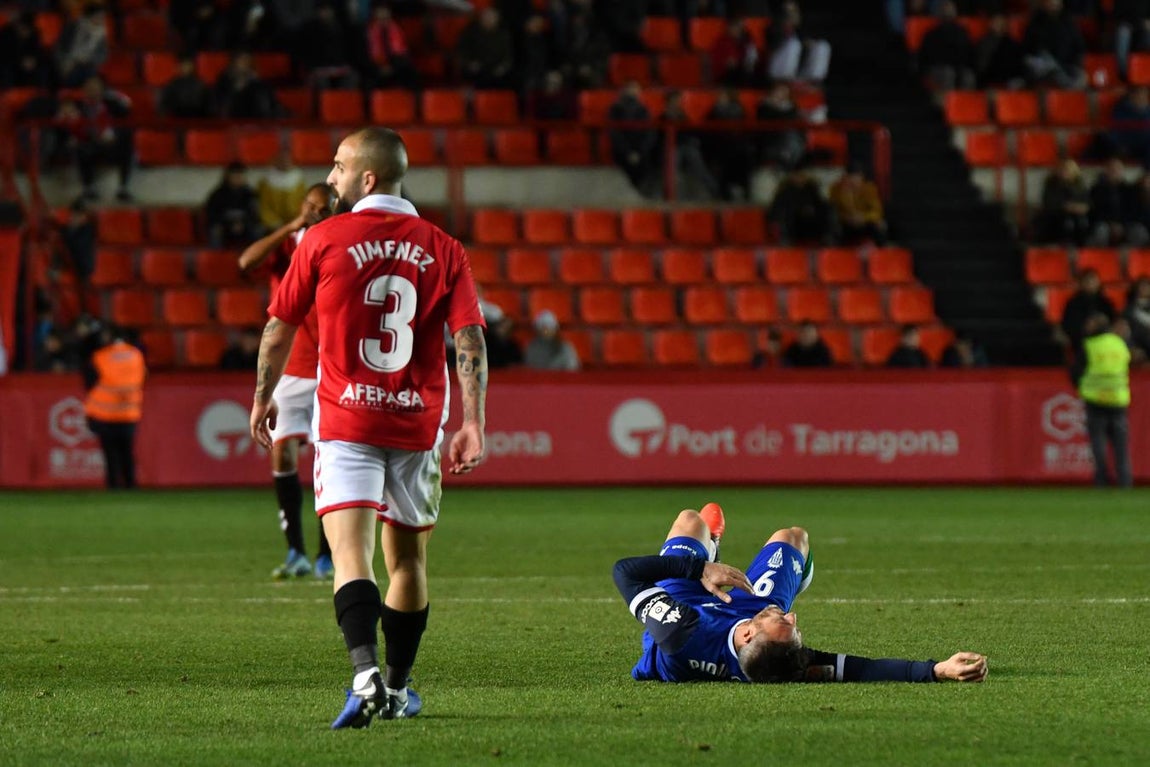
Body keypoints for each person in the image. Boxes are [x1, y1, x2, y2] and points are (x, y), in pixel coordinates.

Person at [249, 127, 488, 727]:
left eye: (336, 166)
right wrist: (474, 421)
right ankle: (401, 688)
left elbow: (278, 327)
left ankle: (364, 675)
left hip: (347, 421)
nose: (330, 177)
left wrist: (263, 395)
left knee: (351, 557)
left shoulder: (324, 238)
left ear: (367, 178)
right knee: (408, 564)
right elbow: (470, 339)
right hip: (416, 427)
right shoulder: (445, 247)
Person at [614, 503, 989, 684]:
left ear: (747, 634)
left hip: (688, 602)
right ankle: (788, 571)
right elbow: (859, 669)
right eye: (791, 624)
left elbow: (627, 573)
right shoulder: (784, 661)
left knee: (690, 519)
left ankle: (709, 548)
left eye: (783, 620)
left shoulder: (679, 631)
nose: (792, 617)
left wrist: (699, 569)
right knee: (793, 536)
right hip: (748, 607)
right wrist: (936, 671)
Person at [239, 183, 335, 580]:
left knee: (331, 461)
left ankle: (328, 554)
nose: (314, 213)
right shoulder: (287, 244)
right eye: (309, 207)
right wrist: (292, 225)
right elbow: (246, 262)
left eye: (322, 209)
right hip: (291, 367)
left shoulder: (340, 245)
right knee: (282, 454)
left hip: (332, 365)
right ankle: (295, 551)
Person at [82, 322, 146, 490]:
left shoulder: (100, 357)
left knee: (110, 453)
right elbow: (143, 378)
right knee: (127, 452)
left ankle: (113, 485)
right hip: (129, 412)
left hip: (105, 413)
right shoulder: (136, 355)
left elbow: (89, 383)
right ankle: (131, 485)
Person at [1074, 314, 1133, 487]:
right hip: (1118, 399)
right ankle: (1125, 480)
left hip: (1096, 400)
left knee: (1098, 442)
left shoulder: (1089, 345)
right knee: (1121, 445)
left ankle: (1101, 480)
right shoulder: (1120, 343)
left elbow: (1077, 371)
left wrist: (1081, 386)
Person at [608, 81, 657, 197]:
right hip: (622, 151)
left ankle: (640, 194)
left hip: (641, 152)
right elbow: (615, 133)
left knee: (646, 166)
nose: (634, 91)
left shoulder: (644, 110)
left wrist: (639, 152)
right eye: (631, 88)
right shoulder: (615, 109)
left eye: (636, 89)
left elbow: (650, 133)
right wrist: (628, 152)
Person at [1022, 0, 1086, 88]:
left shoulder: (1068, 22)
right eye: (1050, 2)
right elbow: (1028, 49)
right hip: (1043, 66)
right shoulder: (1036, 21)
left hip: (1065, 66)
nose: (1054, 4)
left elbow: (1079, 47)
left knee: (1081, 78)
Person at [917, 1, 975, 90]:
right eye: (944, 9)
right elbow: (926, 58)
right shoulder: (931, 34)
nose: (947, 11)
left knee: (968, 75)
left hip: (958, 67)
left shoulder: (962, 32)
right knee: (948, 73)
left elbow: (968, 53)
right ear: (939, 13)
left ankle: (963, 102)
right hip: (938, 69)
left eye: (950, 9)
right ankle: (947, 102)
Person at [206, 162, 263, 248]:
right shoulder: (217, 194)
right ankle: (216, 259)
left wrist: (243, 223)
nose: (237, 178)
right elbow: (212, 214)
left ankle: (252, 259)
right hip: (224, 226)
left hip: (245, 226)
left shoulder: (250, 194)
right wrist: (226, 224)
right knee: (215, 232)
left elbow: (254, 214)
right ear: (228, 176)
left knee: (258, 231)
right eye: (234, 176)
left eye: (240, 175)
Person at [1060, 268, 1116, 354]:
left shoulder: (1105, 302)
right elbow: (1068, 324)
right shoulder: (1073, 303)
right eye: (1087, 281)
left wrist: (1101, 324)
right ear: (1081, 283)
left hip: (1105, 337)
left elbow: (1113, 320)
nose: (1090, 284)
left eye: (1093, 281)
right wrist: (1085, 327)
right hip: (1082, 339)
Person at [829, 164, 888, 245]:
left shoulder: (869, 189)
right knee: (833, 226)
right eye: (849, 178)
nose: (852, 181)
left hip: (864, 221)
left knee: (879, 224)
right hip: (845, 222)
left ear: (861, 177)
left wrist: (863, 217)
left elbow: (877, 211)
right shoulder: (836, 189)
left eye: (856, 178)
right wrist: (846, 216)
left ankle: (881, 251)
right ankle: (838, 252)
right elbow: (833, 210)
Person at [1037, 159, 1090, 245]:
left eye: (1067, 170)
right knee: (1067, 223)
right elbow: (1049, 203)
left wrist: (1081, 208)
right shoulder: (1051, 184)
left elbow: (1087, 204)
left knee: (1082, 222)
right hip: (1055, 216)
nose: (1064, 172)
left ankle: (1081, 250)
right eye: (1062, 169)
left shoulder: (1080, 187)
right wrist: (1066, 206)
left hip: (1077, 217)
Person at [257, 149, 308, 232]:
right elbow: (264, 207)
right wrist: (274, 223)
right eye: (282, 160)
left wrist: (296, 222)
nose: (285, 162)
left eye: (287, 160)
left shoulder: (298, 180)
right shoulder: (265, 182)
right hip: (272, 226)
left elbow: (303, 203)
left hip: (295, 223)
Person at [975, 14, 1027, 88]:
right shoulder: (984, 43)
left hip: (1010, 78)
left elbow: (1018, 63)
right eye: (995, 22)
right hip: (989, 78)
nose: (997, 25)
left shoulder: (1013, 44)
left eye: (1000, 23)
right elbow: (981, 65)